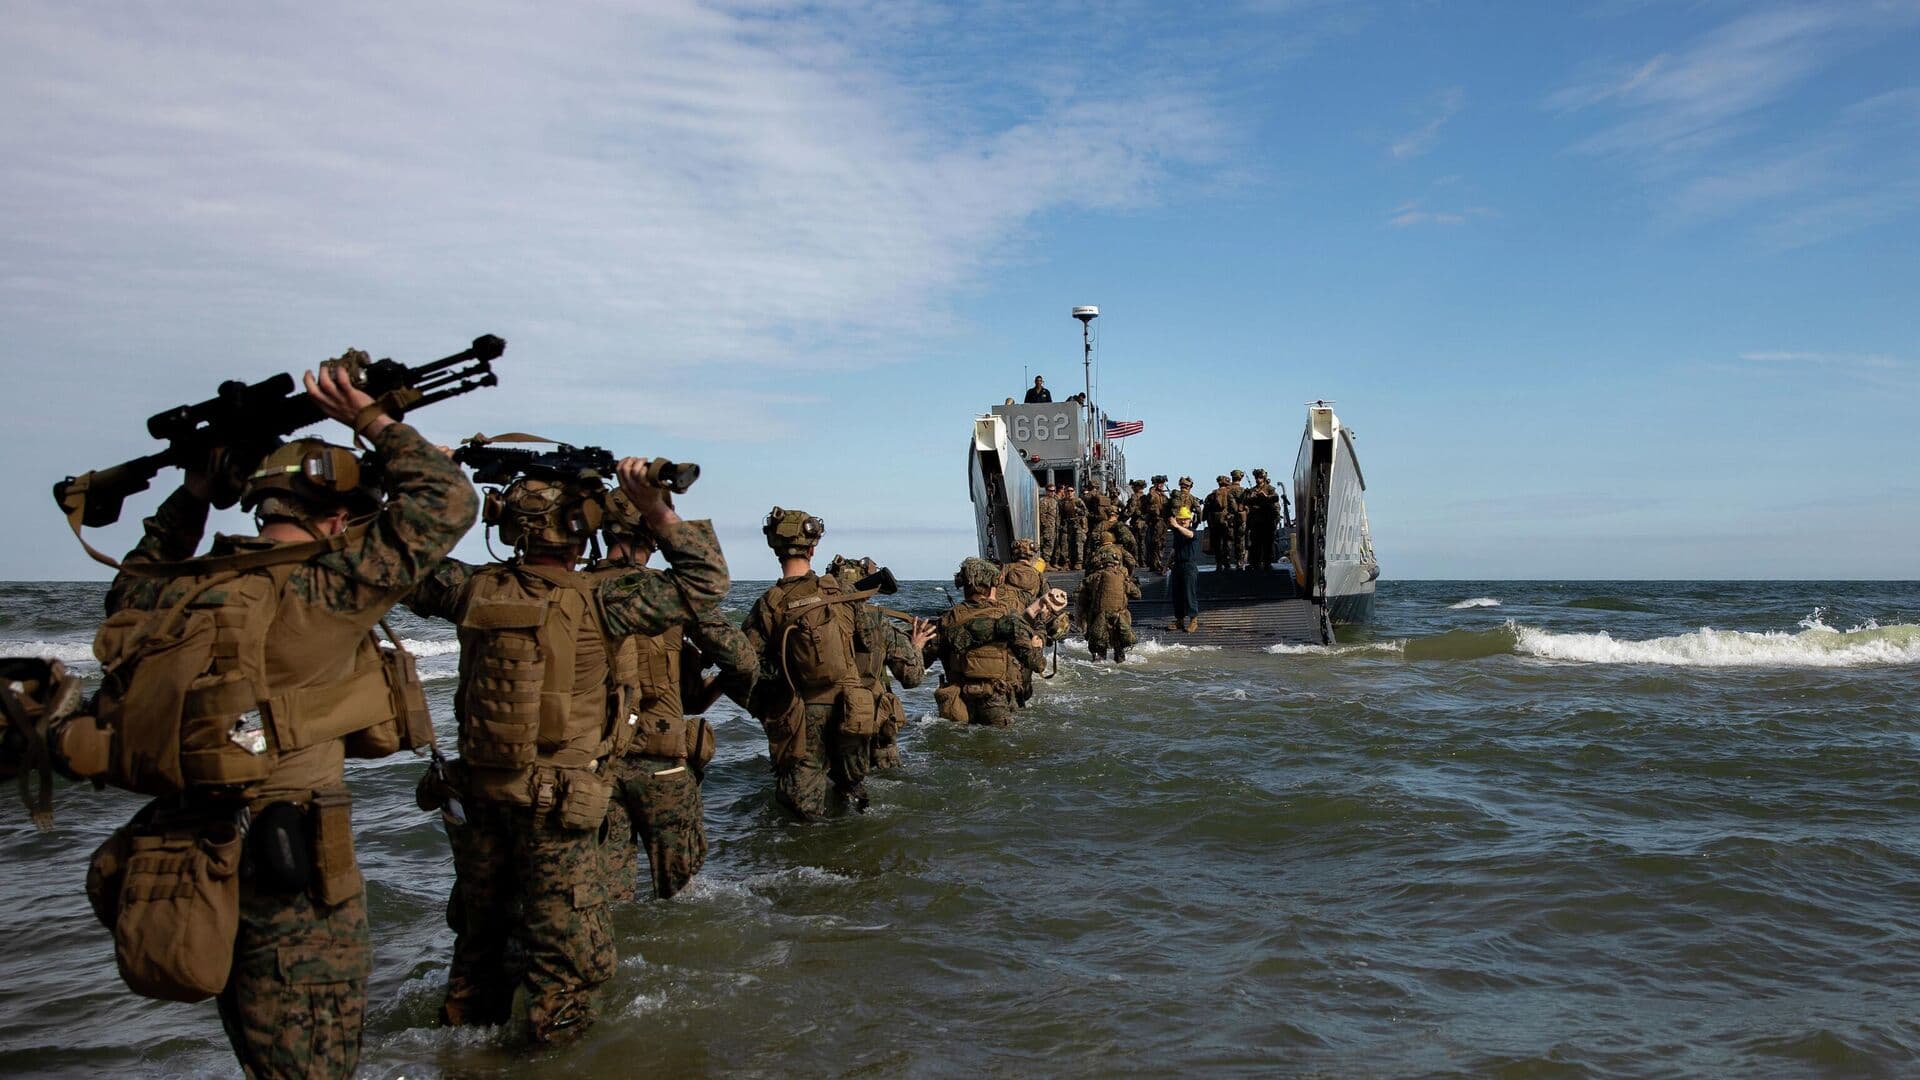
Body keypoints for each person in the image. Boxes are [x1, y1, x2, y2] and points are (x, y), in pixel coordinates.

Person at [87, 358, 477, 1078]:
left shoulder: (176, 593)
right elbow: (447, 504)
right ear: (334, 519)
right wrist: (372, 421)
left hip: (187, 861)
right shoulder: (321, 592)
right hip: (291, 871)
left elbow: (133, 582)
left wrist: (194, 495)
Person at [405, 455, 728, 1044]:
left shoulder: (470, 590)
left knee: (478, 955)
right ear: (583, 530)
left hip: (477, 803)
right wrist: (654, 507)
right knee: (564, 967)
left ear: (507, 526)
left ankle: (456, 1057)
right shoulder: (603, 601)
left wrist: (427, 478)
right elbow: (705, 581)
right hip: (558, 810)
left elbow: (397, 563)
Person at [593, 488, 757, 904]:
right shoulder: (666, 594)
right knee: (684, 898)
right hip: (661, 759)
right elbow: (741, 658)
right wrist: (711, 680)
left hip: (590, 762)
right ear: (652, 536)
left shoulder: (573, 592)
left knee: (606, 898)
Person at [740, 509, 883, 819]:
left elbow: (745, 664)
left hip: (801, 713)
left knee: (804, 812)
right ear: (812, 548)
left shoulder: (769, 603)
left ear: (775, 550)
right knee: (853, 795)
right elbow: (869, 644)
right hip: (851, 707)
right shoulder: (842, 592)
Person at [825, 555, 933, 770]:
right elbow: (911, 678)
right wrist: (917, 646)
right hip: (871, 722)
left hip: (825, 720)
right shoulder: (879, 623)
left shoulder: (815, 621)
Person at [928, 558, 1046, 727]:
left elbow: (926, 658)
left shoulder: (948, 618)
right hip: (996, 701)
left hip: (956, 703)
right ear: (993, 587)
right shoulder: (1006, 616)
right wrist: (1039, 635)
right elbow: (1037, 664)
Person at [1076, 544, 1140, 662]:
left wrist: (1081, 616)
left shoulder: (1093, 577)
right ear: (1116, 563)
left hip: (1099, 619)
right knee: (1120, 651)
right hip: (1120, 619)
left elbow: (1080, 595)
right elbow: (1137, 595)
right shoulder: (1123, 577)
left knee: (1099, 653)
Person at [1168, 504, 1202, 632]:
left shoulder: (1192, 531)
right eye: (1180, 519)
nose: (1183, 521)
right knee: (1177, 594)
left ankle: (1193, 620)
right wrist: (1167, 564)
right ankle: (1179, 620)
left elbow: (1190, 535)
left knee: (1189, 593)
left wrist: (1176, 525)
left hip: (1189, 565)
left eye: (1185, 519)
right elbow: (1174, 549)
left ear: (1190, 520)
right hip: (1177, 565)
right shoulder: (1177, 532)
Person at [1244, 468, 1283, 571]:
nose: (1258, 480)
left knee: (1268, 543)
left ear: (1264, 478)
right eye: (1256, 477)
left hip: (1267, 520)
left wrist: (1265, 497)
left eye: (1260, 477)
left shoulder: (1270, 489)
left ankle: (1267, 562)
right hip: (1256, 520)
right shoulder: (1252, 490)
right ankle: (1254, 562)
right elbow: (1246, 501)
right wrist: (1252, 498)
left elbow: (1275, 498)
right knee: (1255, 543)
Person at [1203, 475, 1238, 570]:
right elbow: (1234, 508)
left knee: (1217, 543)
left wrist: (1204, 518)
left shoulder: (1212, 495)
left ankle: (1218, 563)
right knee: (1228, 542)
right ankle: (1227, 562)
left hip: (1214, 522)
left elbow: (1206, 509)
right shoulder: (1229, 494)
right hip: (1226, 521)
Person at [1143, 476, 1171, 572]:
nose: (1162, 486)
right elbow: (1149, 501)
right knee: (1156, 543)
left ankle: (1157, 562)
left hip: (1163, 521)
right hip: (1156, 521)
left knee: (1161, 542)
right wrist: (1153, 489)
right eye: (1159, 484)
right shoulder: (1153, 494)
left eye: (1162, 484)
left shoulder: (1163, 495)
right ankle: (1156, 563)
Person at [1058, 483, 1086, 571]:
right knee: (1065, 544)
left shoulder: (1078, 501)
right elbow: (1059, 514)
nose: (1069, 493)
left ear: (1074, 492)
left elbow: (1085, 512)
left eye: (1071, 491)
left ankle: (1079, 562)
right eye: (1068, 491)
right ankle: (1066, 562)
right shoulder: (1062, 502)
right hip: (1066, 525)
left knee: (1078, 543)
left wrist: (1077, 510)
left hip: (1076, 524)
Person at [1037, 483, 1060, 566]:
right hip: (1048, 527)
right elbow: (1042, 515)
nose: (1052, 493)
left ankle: (1052, 562)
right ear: (1047, 491)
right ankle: (1046, 563)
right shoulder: (1044, 501)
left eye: (1054, 491)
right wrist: (1046, 526)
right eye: (1050, 491)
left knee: (1053, 544)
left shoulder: (1054, 501)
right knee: (1048, 544)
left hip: (1054, 526)